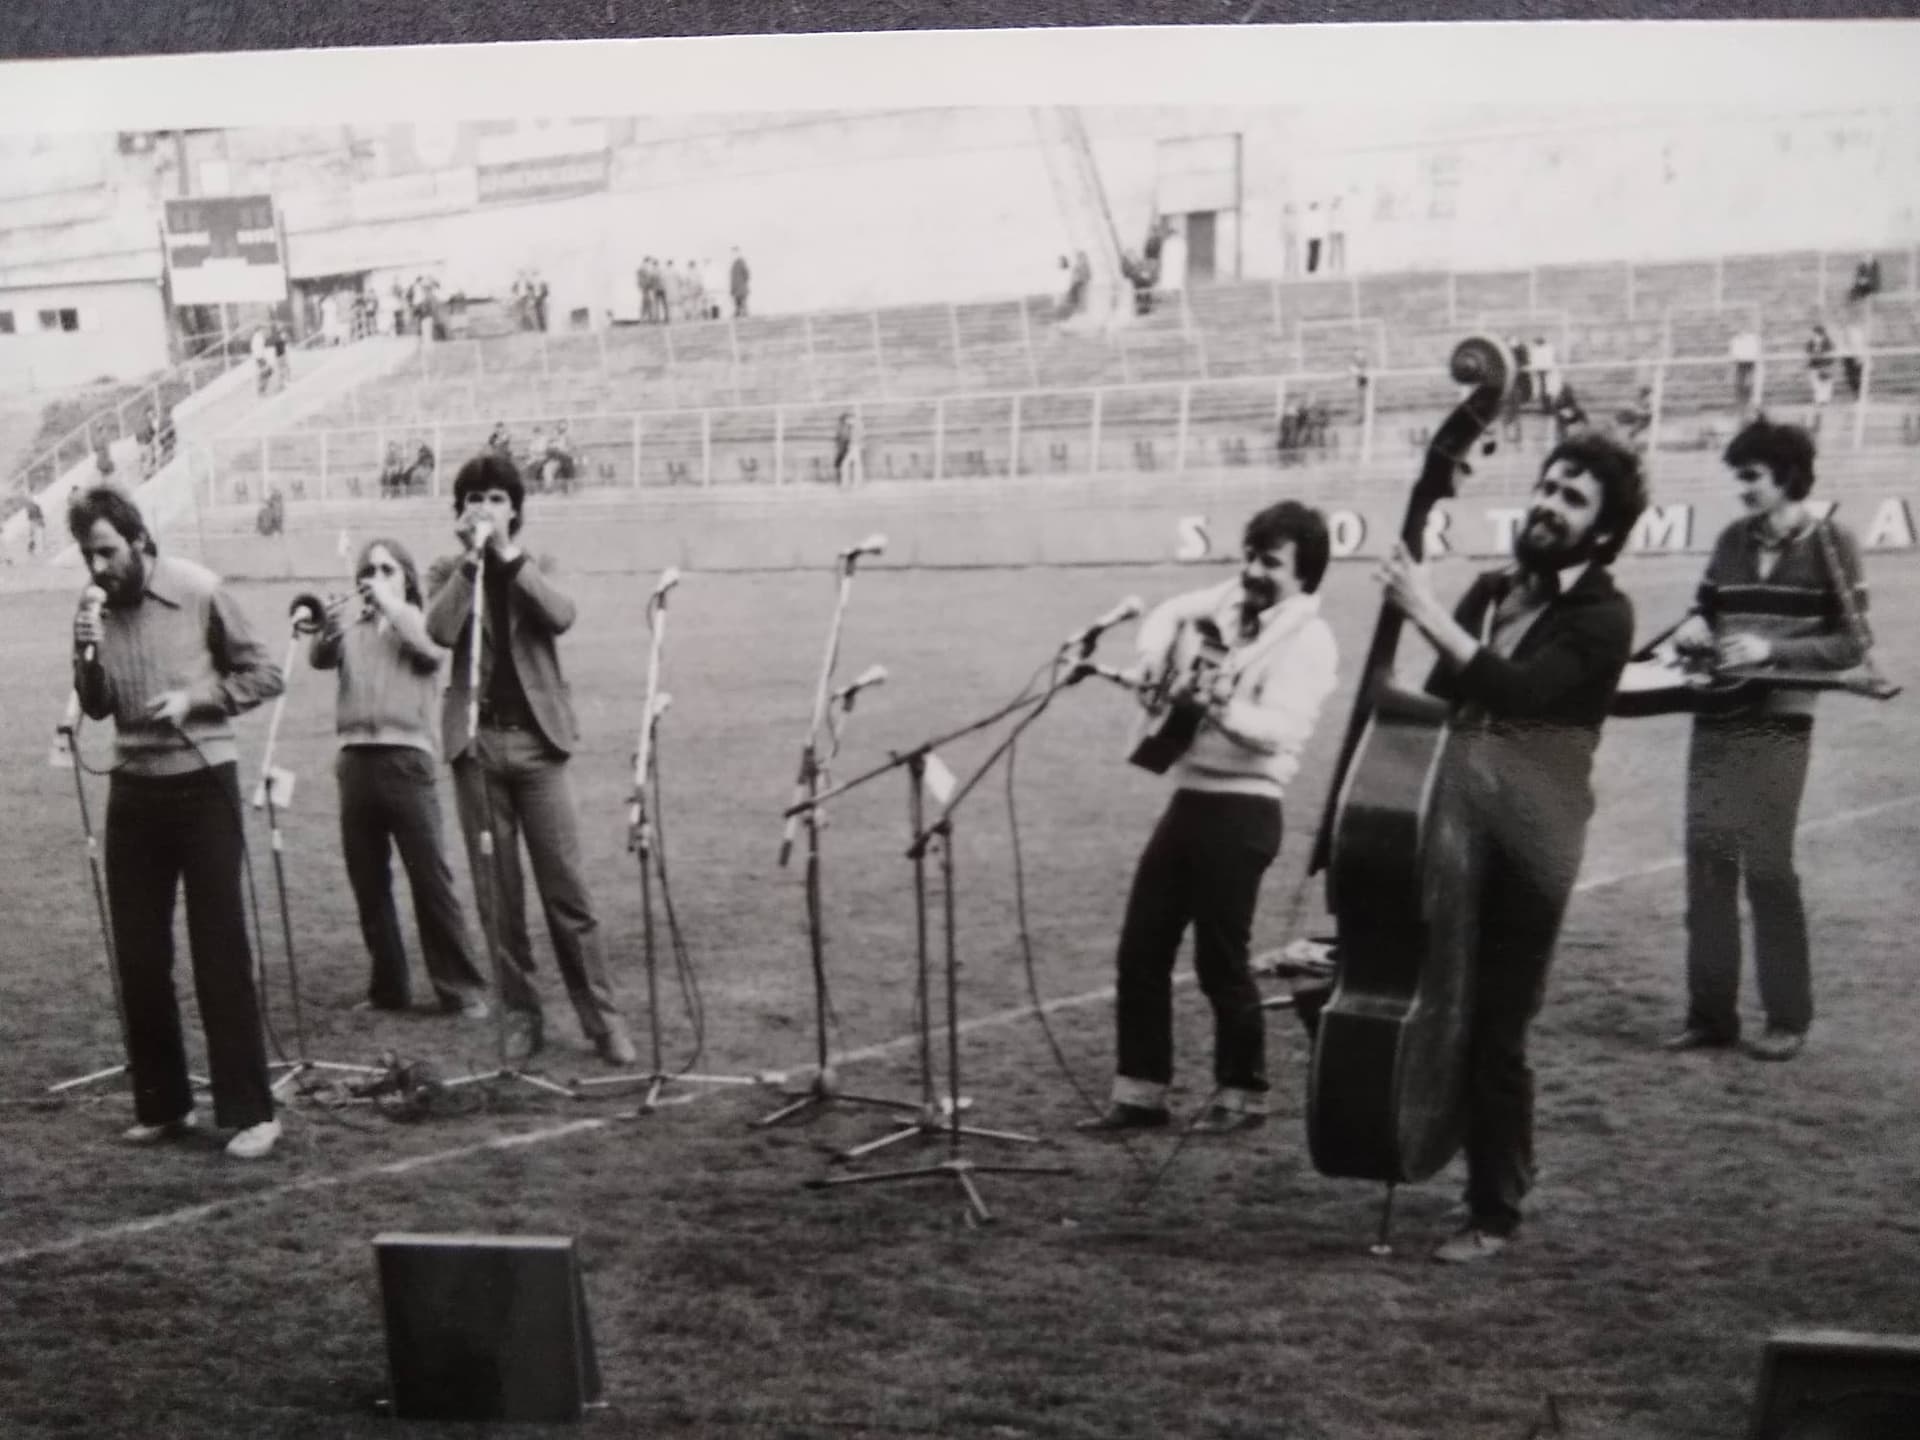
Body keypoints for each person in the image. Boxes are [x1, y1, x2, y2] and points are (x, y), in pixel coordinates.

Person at [1375, 433, 1647, 1261]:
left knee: (1496, 1024)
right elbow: (1432, 701)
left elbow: (1522, 695)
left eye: (1573, 499)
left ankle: (1495, 1211)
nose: (1550, 503)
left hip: (1535, 839)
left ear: (1601, 532)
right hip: (1456, 817)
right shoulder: (1493, 590)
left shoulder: (1604, 614)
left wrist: (1421, 610)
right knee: (1422, 992)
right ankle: (1418, 1140)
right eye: (1549, 485)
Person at [1078, 501, 1340, 1136]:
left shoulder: (1310, 639)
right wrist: (1151, 657)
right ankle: (1140, 1095)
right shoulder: (1229, 601)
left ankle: (1242, 1095)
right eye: (1250, 555)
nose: (1253, 571)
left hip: (1246, 808)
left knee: (1222, 960)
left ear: (1304, 576)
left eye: (1270, 563)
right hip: (1190, 799)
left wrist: (1219, 708)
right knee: (1141, 949)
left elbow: (1279, 733)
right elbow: (1170, 611)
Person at [67, 484, 287, 1160]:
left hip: (202, 784)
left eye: (107, 552)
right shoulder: (93, 609)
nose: (98, 568)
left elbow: (265, 673)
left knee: (217, 946)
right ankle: (164, 1104)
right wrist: (86, 654)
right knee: (138, 954)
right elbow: (99, 708)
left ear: (139, 541)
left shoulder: (199, 590)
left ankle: (252, 1112)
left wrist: (195, 698)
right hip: (133, 787)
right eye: (87, 555)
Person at [1661, 419, 1868, 1064]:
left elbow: (1853, 644)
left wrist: (1771, 650)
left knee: (1769, 868)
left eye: (1751, 476)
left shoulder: (1834, 544)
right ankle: (1710, 1017)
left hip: (1782, 722)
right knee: (1707, 866)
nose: (1741, 488)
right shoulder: (1730, 540)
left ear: (1787, 475)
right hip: (1717, 715)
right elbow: (1706, 606)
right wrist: (1696, 626)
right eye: (1739, 475)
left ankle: (1787, 1018)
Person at [424, 454, 636, 1067]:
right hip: (477, 746)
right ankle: (521, 1014)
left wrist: (509, 560)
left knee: (567, 892)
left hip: (539, 746)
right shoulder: (448, 567)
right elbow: (438, 632)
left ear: (514, 507)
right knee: (499, 894)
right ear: (459, 511)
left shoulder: (536, 563)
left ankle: (603, 1021)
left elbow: (561, 614)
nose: (483, 508)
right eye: (472, 499)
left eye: (494, 498)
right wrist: (472, 563)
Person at [311, 539, 491, 1018]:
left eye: (386, 569)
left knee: (430, 879)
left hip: (406, 760)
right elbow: (319, 658)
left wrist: (393, 605)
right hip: (355, 760)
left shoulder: (421, 620)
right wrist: (328, 625)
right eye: (367, 570)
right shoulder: (355, 625)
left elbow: (431, 651)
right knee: (368, 883)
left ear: (406, 578)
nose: (374, 577)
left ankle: (462, 989)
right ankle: (388, 989)